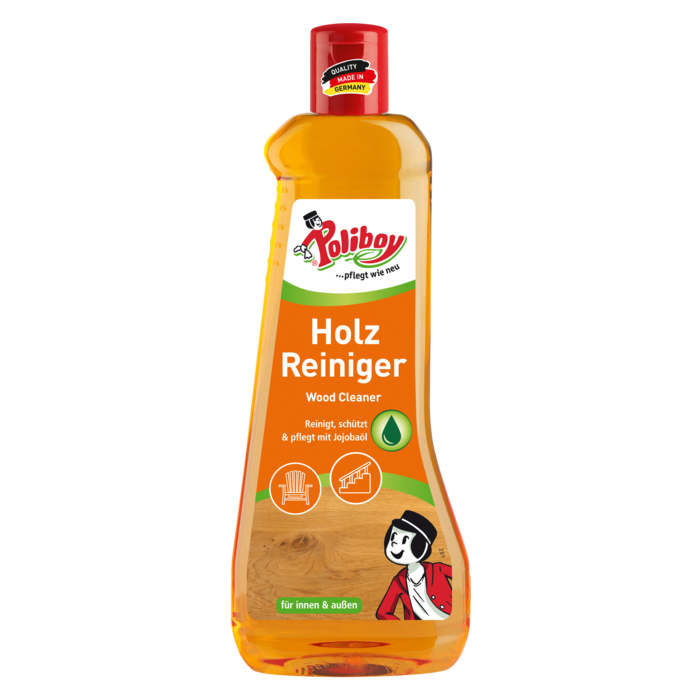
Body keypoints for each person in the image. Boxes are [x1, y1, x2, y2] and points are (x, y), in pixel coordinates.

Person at [376, 510, 452, 621]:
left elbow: (465, 577)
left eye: (404, 540)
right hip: (422, 629)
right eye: (393, 538)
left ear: (422, 547)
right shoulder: (399, 581)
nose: (395, 545)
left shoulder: (438, 569)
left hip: (451, 622)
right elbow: (382, 612)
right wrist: (404, 627)